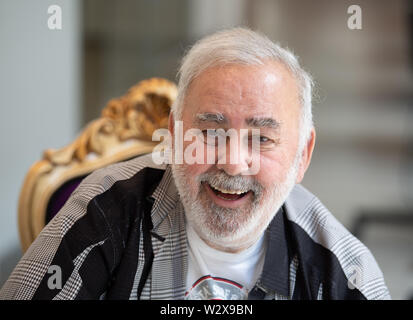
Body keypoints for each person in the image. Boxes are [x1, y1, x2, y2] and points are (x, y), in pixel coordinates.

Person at [0, 27, 390, 300]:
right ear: (174, 134)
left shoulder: (345, 274)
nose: (233, 164)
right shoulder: (105, 212)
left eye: (261, 139)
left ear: (302, 154)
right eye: (209, 132)